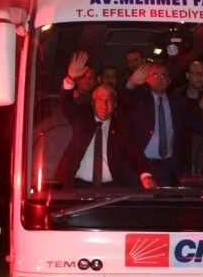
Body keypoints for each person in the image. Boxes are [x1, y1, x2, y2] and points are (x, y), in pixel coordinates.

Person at [56, 52, 155, 189]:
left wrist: (145, 175)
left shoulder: (121, 128)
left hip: (110, 188)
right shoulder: (82, 118)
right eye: (100, 100)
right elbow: (66, 102)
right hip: (78, 186)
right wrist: (70, 78)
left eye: (108, 101)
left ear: (114, 105)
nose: (104, 105)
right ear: (92, 103)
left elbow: (135, 153)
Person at [120, 59, 203, 186]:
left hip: (166, 166)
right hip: (142, 165)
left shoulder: (176, 103)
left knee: (165, 202)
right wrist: (131, 82)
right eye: (155, 75)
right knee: (140, 203)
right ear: (148, 79)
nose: (159, 79)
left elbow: (196, 124)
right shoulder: (139, 100)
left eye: (164, 76)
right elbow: (124, 96)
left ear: (169, 81)